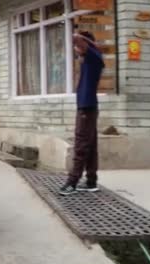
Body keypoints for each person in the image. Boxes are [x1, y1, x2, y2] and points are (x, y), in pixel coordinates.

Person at [60, 31, 105, 196]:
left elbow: (77, 37)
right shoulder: (91, 59)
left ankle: (72, 183)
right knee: (91, 147)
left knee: (80, 145)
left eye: (78, 47)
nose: (75, 48)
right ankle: (91, 181)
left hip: (87, 108)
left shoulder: (93, 56)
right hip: (89, 107)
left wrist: (82, 38)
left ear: (87, 45)